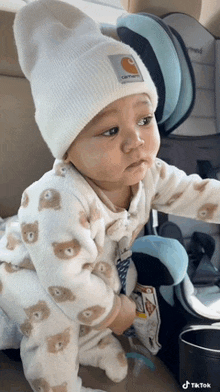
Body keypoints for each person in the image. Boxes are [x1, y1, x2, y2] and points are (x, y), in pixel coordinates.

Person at [0, 0, 220, 391]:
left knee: (112, 278)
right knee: (52, 317)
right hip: (25, 274)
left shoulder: (146, 173)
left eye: (144, 119)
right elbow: (65, 283)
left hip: (86, 274)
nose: (136, 141)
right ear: (68, 148)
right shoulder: (57, 200)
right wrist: (115, 311)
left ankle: (90, 342)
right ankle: (59, 383)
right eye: (109, 131)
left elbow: (194, 192)